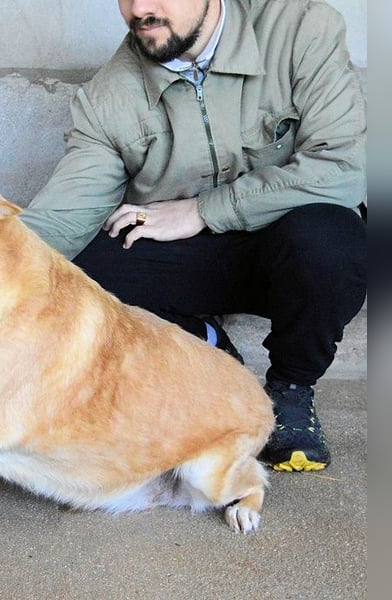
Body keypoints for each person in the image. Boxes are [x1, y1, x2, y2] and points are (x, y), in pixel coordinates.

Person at [19, 0, 367, 472]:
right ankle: (207, 351)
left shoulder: (303, 28)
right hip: (192, 261)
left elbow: (345, 170)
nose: (141, 9)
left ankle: (290, 390)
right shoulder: (110, 94)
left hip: (291, 251)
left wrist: (203, 210)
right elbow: (58, 223)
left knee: (334, 238)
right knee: (81, 271)